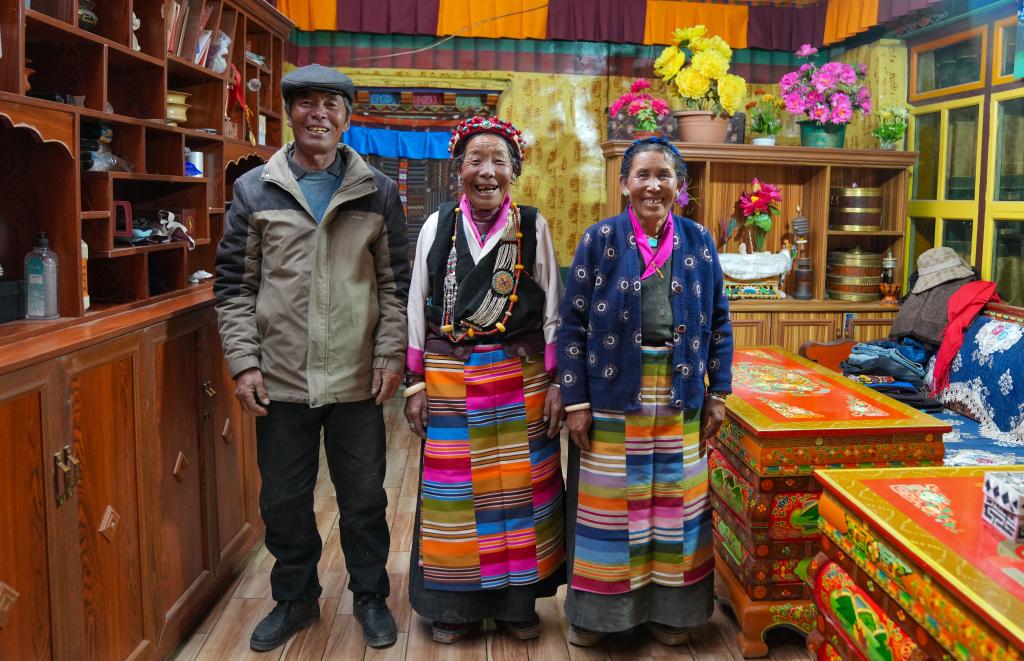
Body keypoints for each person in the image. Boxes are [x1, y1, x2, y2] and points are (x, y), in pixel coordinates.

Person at [214, 64, 410, 652]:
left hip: (357, 378)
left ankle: (370, 596)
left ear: (347, 118)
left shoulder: (377, 190)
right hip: (281, 377)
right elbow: (234, 287)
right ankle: (295, 599)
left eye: (330, 103)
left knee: (364, 498)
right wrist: (245, 363)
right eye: (305, 102)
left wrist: (389, 354)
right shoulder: (256, 189)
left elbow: (394, 285)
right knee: (283, 501)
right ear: (289, 113)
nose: (317, 114)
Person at [556, 137, 734, 646]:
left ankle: (672, 615)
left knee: (676, 507)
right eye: (642, 175)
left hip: (680, 391)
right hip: (613, 394)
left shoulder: (699, 240)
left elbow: (720, 320)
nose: (653, 186)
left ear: (680, 186)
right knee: (610, 510)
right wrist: (576, 402)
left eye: (664, 175)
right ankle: (599, 616)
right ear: (624, 184)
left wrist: (718, 393)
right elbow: (571, 326)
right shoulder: (599, 239)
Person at [403, 116, 565, 644]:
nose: (487, 171)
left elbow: (553, 308)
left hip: (521, 377)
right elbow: (416, 302)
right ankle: (454, 608)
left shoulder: (532, 226)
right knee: (455, 497)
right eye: (476, 160)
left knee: (522, 494)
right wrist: (414, 383)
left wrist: (559, 383)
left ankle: (518, 605)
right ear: (459, 171)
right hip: (451, 376)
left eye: (499, 160)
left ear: (514, 171)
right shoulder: (438, 225)